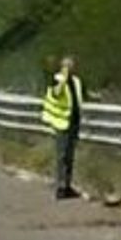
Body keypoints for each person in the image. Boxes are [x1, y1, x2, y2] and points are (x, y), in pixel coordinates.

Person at [41, 55, 84, 200]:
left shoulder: (76, 81)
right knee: (62, 156)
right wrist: (63, 79)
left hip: (73, 122)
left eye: (72, 65)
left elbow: (77, 99)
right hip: (61, 123)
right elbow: (56, 94)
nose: (71, 68)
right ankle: (60, 186)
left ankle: (67, 185)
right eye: (67, 66)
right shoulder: (57, 80)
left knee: (70, 156)